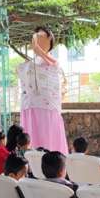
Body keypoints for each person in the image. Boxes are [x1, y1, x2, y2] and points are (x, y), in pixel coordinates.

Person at [19, 26, 69, 154]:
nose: (37, 41)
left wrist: (39, 51)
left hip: (48, 107)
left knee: (49, 140)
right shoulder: (29, 64)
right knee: (32, 138)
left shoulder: (53, 62)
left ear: (49, 40)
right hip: (30, 106)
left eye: (41, 37)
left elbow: (53, 63)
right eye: (36, 38)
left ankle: (52, 167)